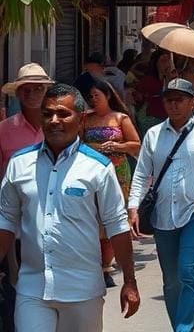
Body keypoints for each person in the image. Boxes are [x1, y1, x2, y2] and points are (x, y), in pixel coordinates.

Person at [0, 84, 139, 330]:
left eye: (63, 114)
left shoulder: (98, 168)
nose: (54, 121)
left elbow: (117, 226)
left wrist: (129, 281)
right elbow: (6, 221)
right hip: (33, 289)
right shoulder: (19, 165)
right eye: (47, 114)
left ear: (81, 118)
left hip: (83, 292)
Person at [129, 79, 194, 332]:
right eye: (168, 100)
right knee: (171, 280)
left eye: (179, 99)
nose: (173, 105)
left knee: (187, 272)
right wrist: (132, 208)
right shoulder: (153, 134)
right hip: (162, 215)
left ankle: (184, 328)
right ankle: (178, 327)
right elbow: (141, 174)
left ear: (191, 102)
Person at [0, 64, 54, 329]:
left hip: (56, 221)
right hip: (18, 226)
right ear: (18, 94)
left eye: (38, 89)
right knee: (17, 288)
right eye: (27, 89)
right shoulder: (4, 130)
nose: (33, 94)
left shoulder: (59, 126)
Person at [83, 79, 141, 288]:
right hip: (90, 173)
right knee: (93, 217)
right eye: (90, 97)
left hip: (117, 172)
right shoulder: (84, 119)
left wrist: (118, 145)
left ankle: (106, 266)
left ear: (107, 95)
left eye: (96, 96)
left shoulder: (120, 118)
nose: (93, 100)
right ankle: (95, 263)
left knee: (112, 219)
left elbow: (136, 144)